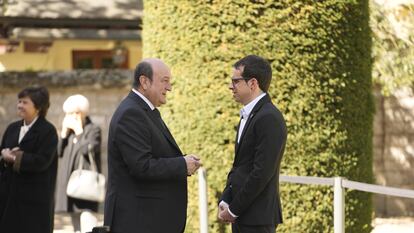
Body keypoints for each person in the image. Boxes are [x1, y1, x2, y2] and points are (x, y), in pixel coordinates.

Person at [104, 58, 202, 233]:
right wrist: (182, 164)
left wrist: (183, 161)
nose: (169, 87)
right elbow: (141, 166)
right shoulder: (131, 113)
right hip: (138, 221)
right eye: (164, 81)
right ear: (144, 82)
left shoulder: (144, 110)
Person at [218, 55, 287, 233]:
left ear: (253, 83)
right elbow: (240, 165)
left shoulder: (269, 117)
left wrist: (234, 210)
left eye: (235, 81)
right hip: (244, 215)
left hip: (257, 219)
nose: (230, 86)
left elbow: (262, 172)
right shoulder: (250, 114)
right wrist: (226, 198)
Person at [0, 86, 58, 233]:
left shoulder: (48, 131)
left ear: (38, 107)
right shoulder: (12, 128)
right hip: (9, 198)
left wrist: (15, 157)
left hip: (34, 200)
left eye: (25, 102)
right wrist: (4, 155)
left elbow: (42, 161)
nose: (19, 105)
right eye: (19, 101)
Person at [55, 94, 102, 233]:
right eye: (67, 114)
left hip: (86, 189)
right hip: (71, 189)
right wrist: (63, 134)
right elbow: (58, 153)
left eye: (72, 113)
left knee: (88, 227)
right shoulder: (68, 133)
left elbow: (89, 150)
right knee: (76, 229)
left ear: (80, 113)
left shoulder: (93, 130)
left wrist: (79, 131)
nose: (69, 117)